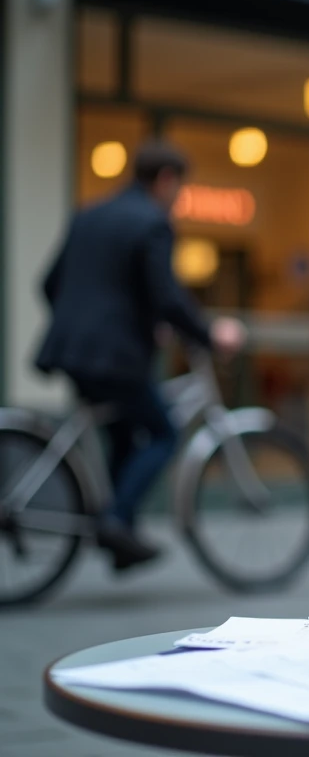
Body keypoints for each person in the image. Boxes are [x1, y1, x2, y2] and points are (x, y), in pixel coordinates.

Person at [35, 141, 245, 572]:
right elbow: (166, 295)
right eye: (179, 187)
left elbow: (49, 283)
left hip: (72, 349)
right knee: (164, 432)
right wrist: (207, 333)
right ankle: (114, 521)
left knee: (125, 434)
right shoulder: (152, 222)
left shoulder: (89, 214)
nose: (177, 197)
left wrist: (90, 325)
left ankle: (121, 535)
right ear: (166, 179)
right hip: (115, 355)